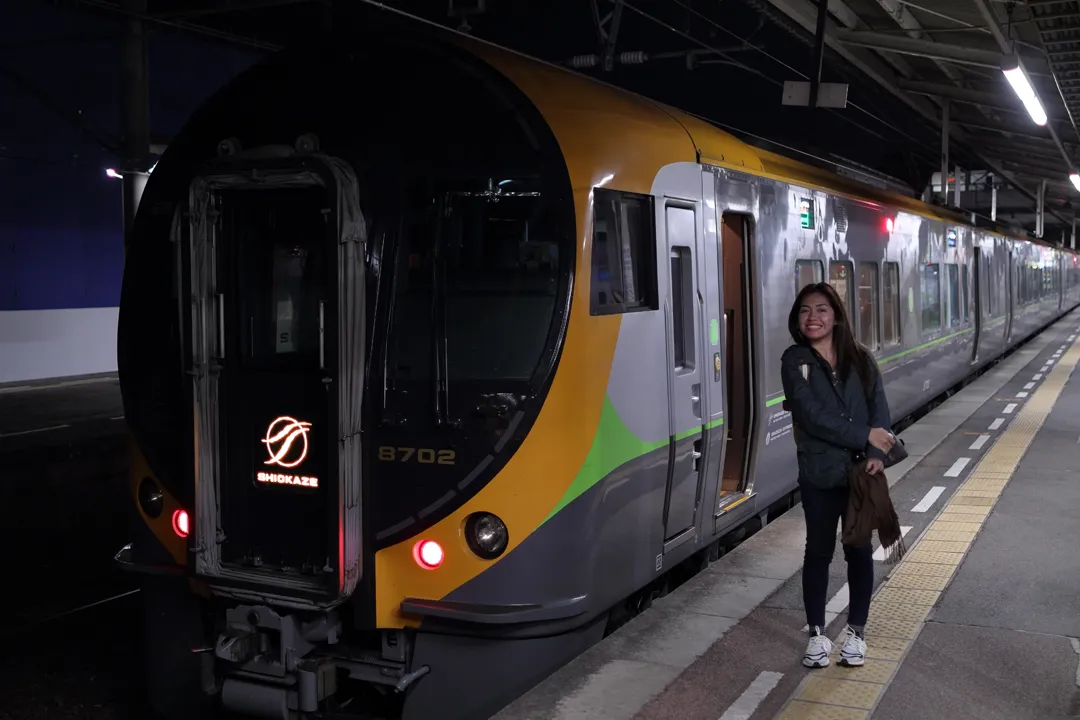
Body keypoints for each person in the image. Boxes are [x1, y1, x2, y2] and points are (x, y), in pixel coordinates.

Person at [780, 281, 894, 669]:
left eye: (821, 310)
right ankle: (816, 633)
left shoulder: (860, 359)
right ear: (798, 319)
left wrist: (877, 452)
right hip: (819, 473)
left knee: (858, 549)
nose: (813, 317)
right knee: (818, 552)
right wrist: (865, 435)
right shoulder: (795, 360)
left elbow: (880, 408)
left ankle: (857, 632)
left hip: (860, 472)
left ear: (836, 316)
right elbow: (812, 416)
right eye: (805, 311)